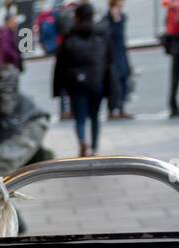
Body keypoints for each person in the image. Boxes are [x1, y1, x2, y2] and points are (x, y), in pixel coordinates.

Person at [53, 3, 112, 156]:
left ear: (77, 17)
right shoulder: (100, 35)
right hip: (96, 81)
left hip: (76, 83)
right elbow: (109, 62)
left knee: (79, 118)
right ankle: (94, 147)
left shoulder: (69, 37)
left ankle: (82, 141)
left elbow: (61, 65)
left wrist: (59, 87)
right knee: (95, 116)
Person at [99, 0, 134, 119]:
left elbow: (121, 36)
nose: (120, 8)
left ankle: (121, 108)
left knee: (124, 80)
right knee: (113, 83)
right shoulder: (106, 19)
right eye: (118, 6)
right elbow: (107, 35)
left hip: (121, 54)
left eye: (121, 6)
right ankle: (112, 109)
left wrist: (118, 20)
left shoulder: (122, 18)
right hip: (111, 56)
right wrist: (113, 20)